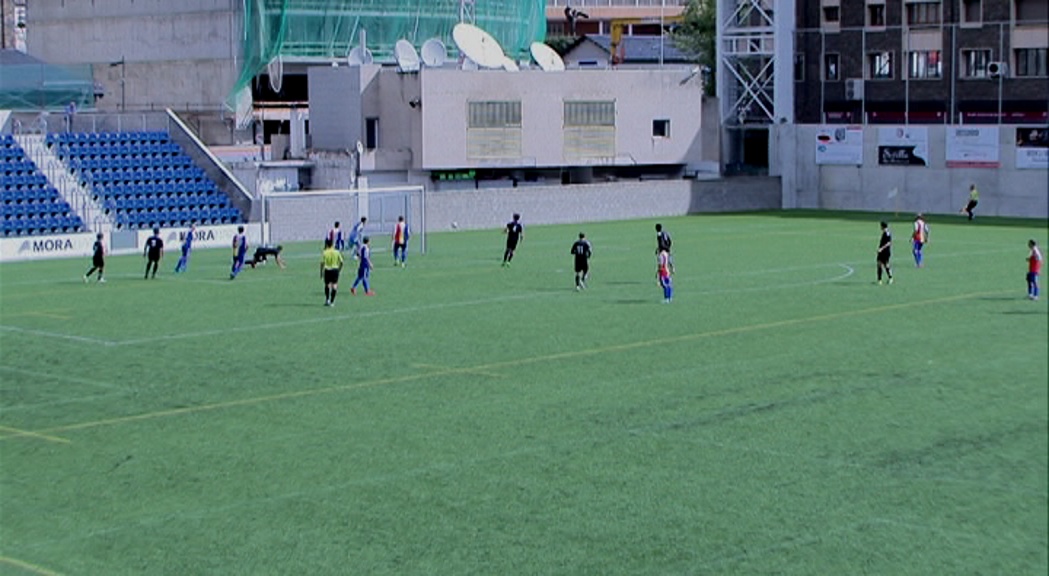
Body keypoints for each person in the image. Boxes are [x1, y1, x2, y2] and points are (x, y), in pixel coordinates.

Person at [320, 238, 344, 306]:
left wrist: (321, 272)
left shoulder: (325, 252)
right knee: (335, 285)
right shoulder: (337, 251)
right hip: (335, 270)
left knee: (327, 285)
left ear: (327, 244)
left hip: (327, 270)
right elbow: (342, 262)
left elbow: (322, 263)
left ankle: (327, 299)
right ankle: (332, 302)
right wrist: (339, 269)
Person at [876, 221, 894, 285]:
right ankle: (879, 280)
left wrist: (881, 248)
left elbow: (889, 243)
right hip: (882, 252)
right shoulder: (885, 232)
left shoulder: (887, 233)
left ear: (882, 226)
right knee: (879, 264)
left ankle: (890, 278)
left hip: (885, 252)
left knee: (886, 265)